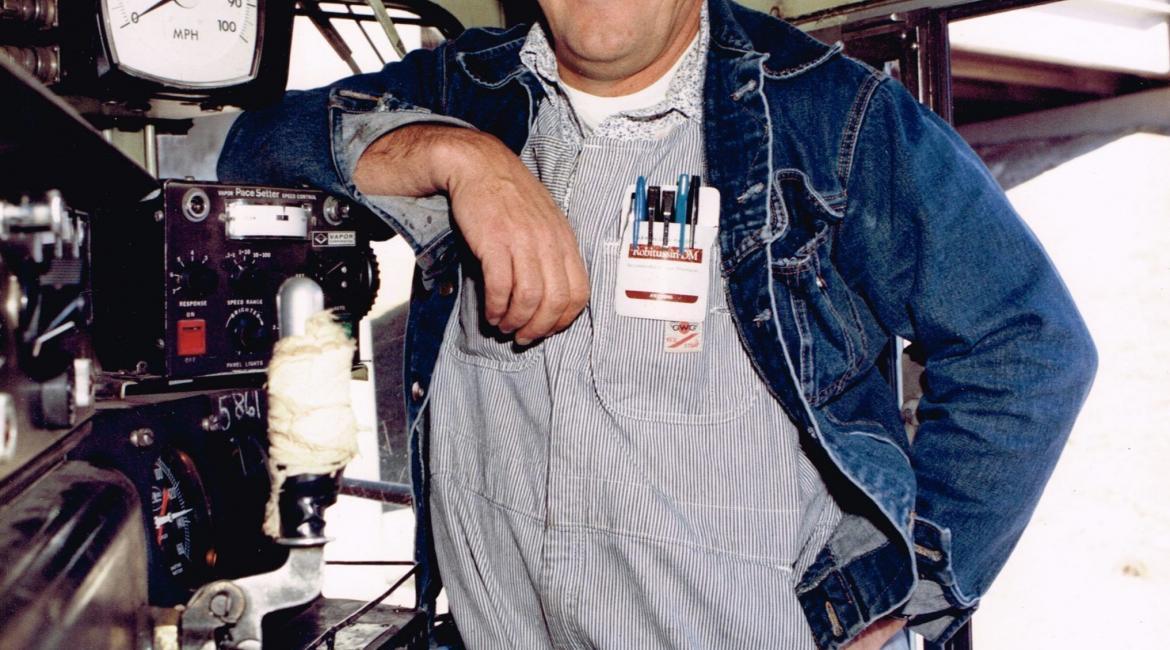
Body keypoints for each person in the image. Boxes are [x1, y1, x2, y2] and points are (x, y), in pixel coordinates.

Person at [218, 0, 1097, 647]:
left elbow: (1031, 347)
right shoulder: (462, 90)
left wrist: (907, 605)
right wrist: (458, 156)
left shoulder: (832, 117)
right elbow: (253, 149)